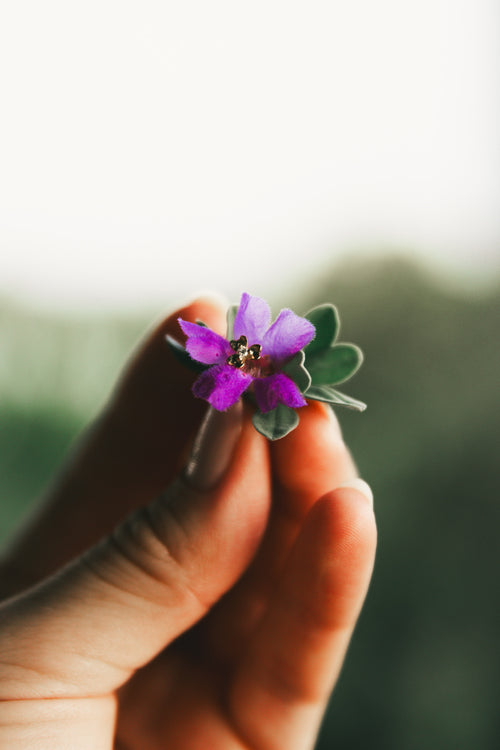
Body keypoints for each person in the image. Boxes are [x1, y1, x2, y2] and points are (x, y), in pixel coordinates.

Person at [0, 296, 377, 749]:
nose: (249, 361)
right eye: (246, 355)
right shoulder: (231, 363)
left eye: (256, 359)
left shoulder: (269, 371)